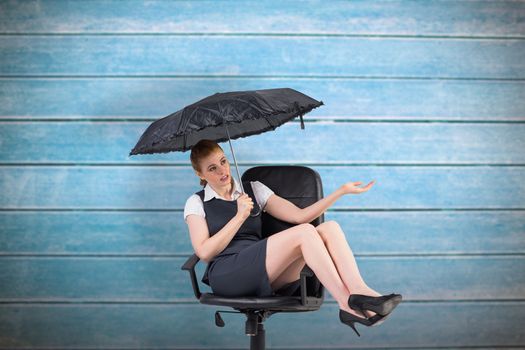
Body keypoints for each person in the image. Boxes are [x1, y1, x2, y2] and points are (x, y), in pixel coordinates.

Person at [183, 139, 402, 336]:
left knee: (329, 228)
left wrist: (341, 192)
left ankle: (361, 292)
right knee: (306, 232)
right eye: (212, 168)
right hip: (227, 274)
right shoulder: (197, 202)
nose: (222, 170)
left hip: (262, 269)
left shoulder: (252, 190)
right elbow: (204, 252)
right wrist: (239, 216)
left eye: (223, 161)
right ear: (200, 174)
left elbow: (300, 216)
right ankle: (346, 304)